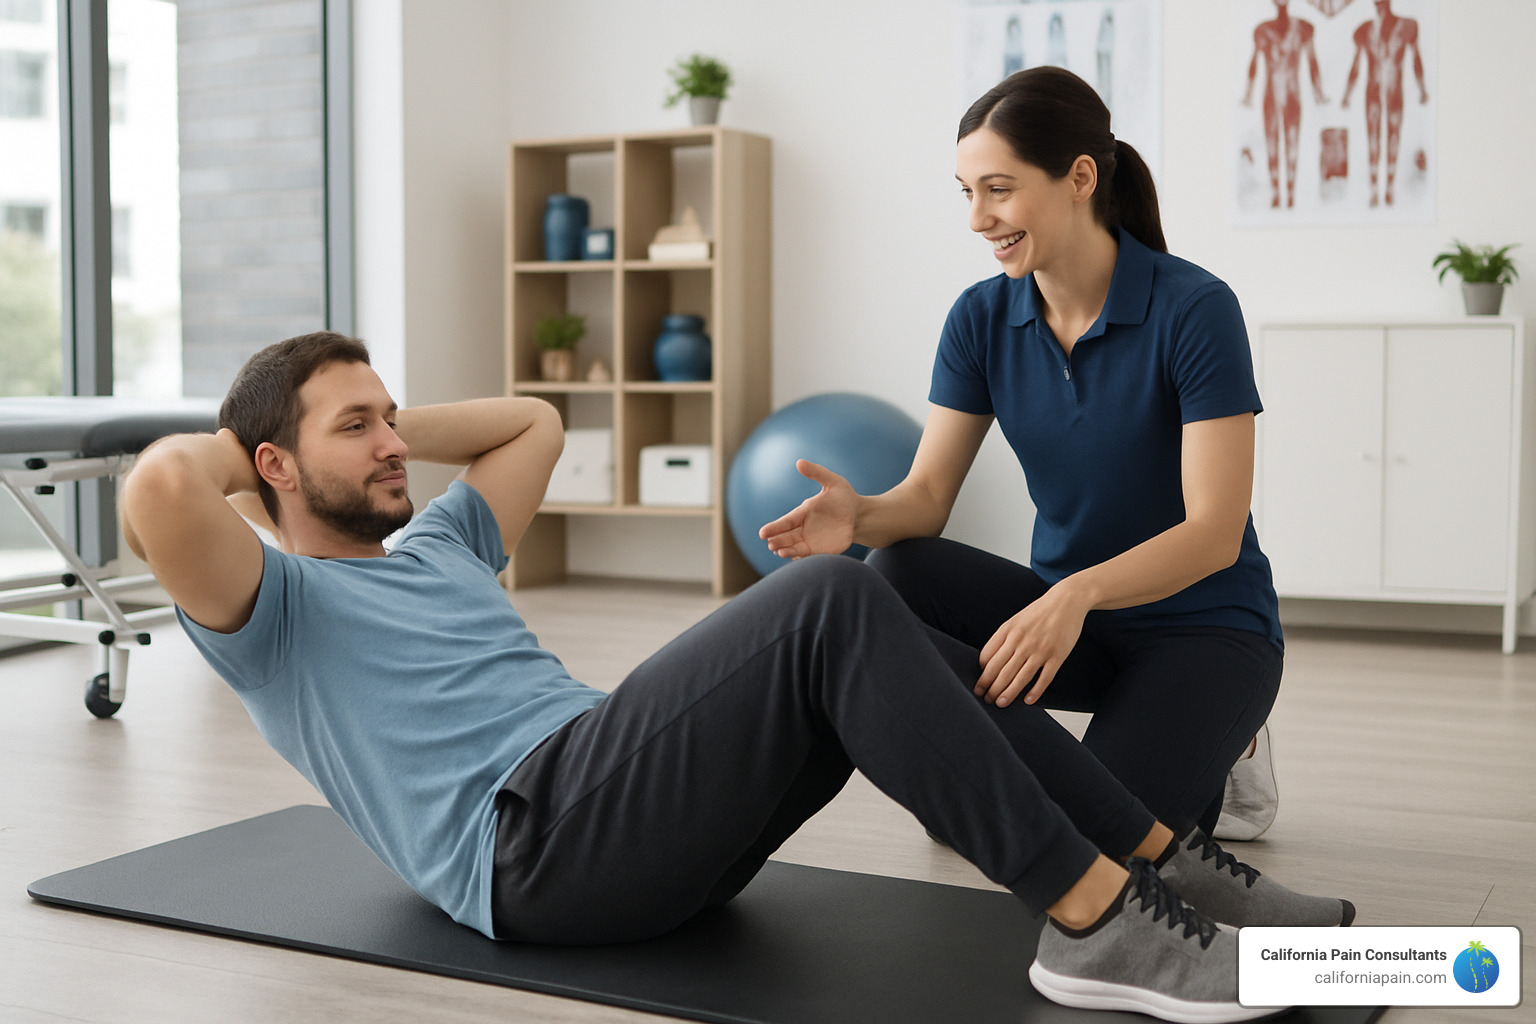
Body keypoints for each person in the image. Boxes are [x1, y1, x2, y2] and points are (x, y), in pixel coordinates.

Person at [120, 332, 1351, 1022]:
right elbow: (159, 489)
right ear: (271, 464)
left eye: (391, 416)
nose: (394, 441)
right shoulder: (271, 608)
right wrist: (263, 443)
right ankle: (1090, 924)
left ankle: (1155, 861)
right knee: (826, 595)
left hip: (623, 808)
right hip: (532, 844)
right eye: (357, 428)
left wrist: (370, 422)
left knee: (881, 617)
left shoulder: (440, 539)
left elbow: (533, 422)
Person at [760, 66, 1282, 842]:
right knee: (897, 572)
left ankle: (1229, 739)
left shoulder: (1194, 309)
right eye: (966, 192)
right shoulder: (980, 319)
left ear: (1078, 178)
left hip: (1202, 628)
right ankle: (992, 770)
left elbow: (1213, 531)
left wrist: (1074, 594)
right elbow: (928, 499)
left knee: (1096, 845)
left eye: (997, 189)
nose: (978, 218)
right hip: (1067, 624)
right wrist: (862, 515)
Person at [1342, 0, 1429, 208]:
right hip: (1372, 92)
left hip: (1394, 92)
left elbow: (1416, 59)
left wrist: (1422, 89)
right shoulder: (1364, 31)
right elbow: (1356, 65)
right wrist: (1347, 94)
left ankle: (1389, 188)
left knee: (1393, 137)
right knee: (1373, 138)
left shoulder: (1407, 27)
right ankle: (1374, 189)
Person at [1244, 0, 1328, 210]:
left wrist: (1318, 93)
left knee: (1291, 143)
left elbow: (1312, 61)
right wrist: (1248, 94)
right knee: (1272, 143)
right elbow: (1254, 63)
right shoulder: (1263, 31)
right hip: (1271, 95)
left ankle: (1289, 193)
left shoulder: (1303, 29)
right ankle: (1275, 193)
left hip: (1292, 94)